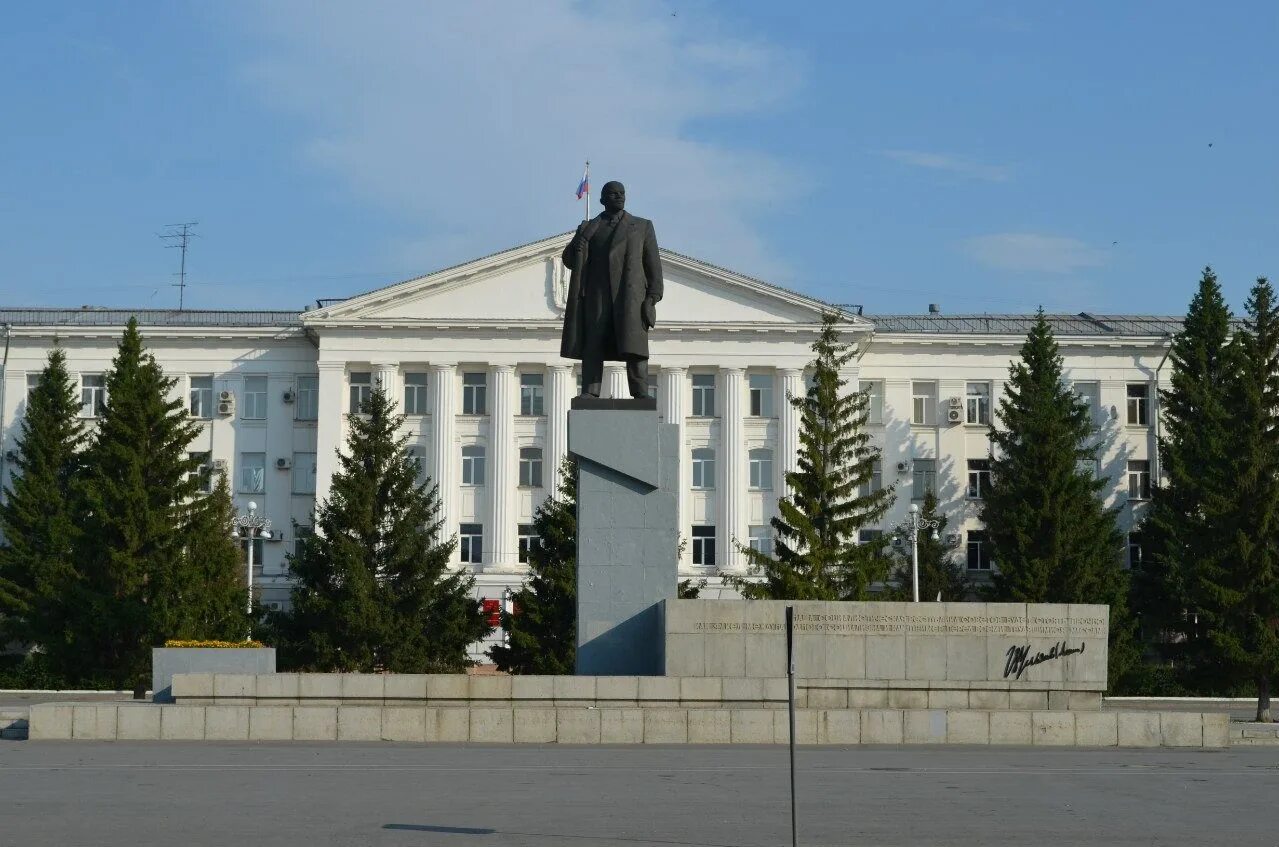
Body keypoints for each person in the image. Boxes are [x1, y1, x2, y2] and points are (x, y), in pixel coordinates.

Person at [559, 181, 663, 399]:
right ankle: (590, 390)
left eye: (621, 193)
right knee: (593, 343)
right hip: (596, 295)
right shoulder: (590, 228)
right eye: (613, 194)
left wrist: (652, 296)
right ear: (602, 200)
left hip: (630, 297)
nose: (618, 197)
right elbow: (569, 260)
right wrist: (580, 236)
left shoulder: (642, 226)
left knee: (634, 346)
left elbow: (652, 264)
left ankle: (640, 392)